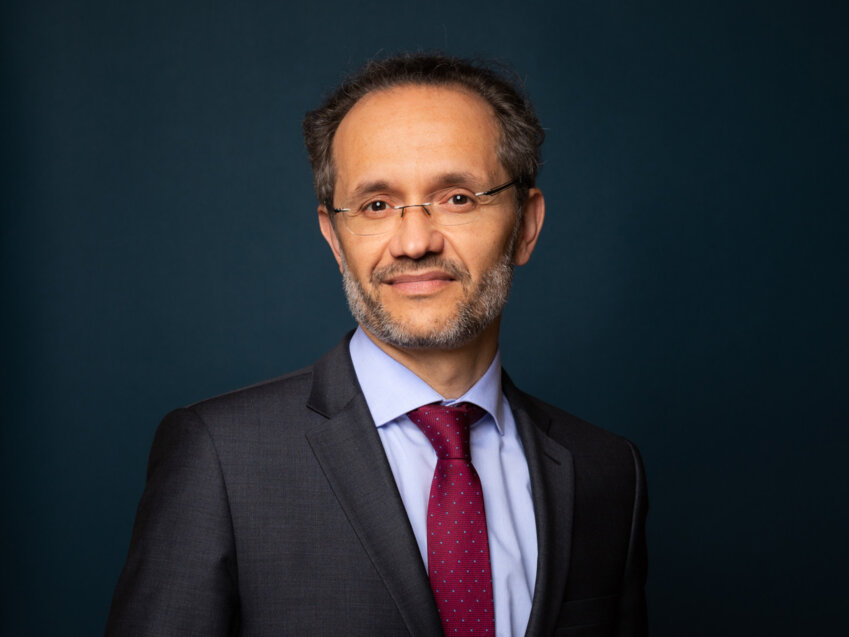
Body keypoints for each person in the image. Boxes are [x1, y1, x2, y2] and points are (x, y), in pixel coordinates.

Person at [106, 53, 648, 637]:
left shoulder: (606, 472)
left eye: (457, 198)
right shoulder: (221, 458)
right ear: (335, 239)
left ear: (526, 225)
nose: (414, 242)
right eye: (377, 206)